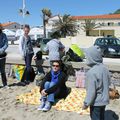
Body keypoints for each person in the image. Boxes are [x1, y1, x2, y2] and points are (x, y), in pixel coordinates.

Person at [82, 46, 110, 120]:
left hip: (96, 102)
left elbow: (91, 91)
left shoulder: (91, 73)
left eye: (87, 57)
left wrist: (86, 103)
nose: (86, 59)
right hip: (104, 100)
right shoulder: (105, 69)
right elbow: (108, 83)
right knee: (101, 117)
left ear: (91, 57)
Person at [0, 24, 8, 88]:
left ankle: (5, 84)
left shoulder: (4, 35)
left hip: (2, 55)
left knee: (3, 71)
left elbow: (6, 44)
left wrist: (1, 50)